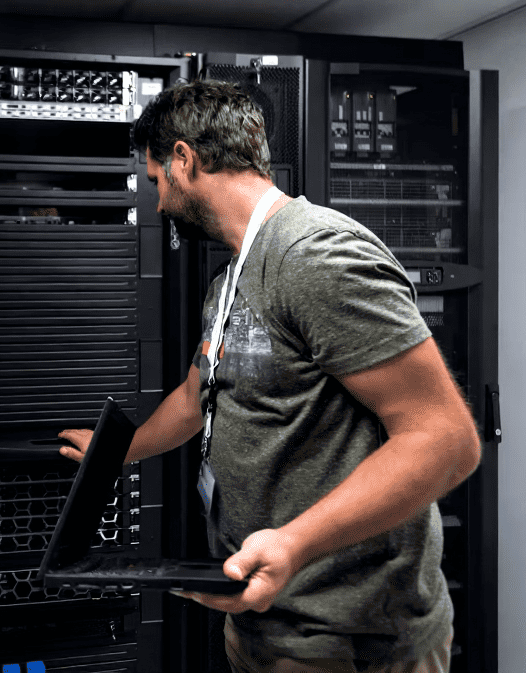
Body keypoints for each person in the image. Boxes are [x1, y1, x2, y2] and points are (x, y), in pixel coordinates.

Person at [57, 79, 481, 673]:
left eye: (156, 182)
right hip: (266, 612)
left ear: (184, 159)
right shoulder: (232, 277)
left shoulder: (316, 255)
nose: (158, 205)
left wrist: (291, 544)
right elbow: (196, 393)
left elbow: (445, 440)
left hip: (352, 635)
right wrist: (120, 450)